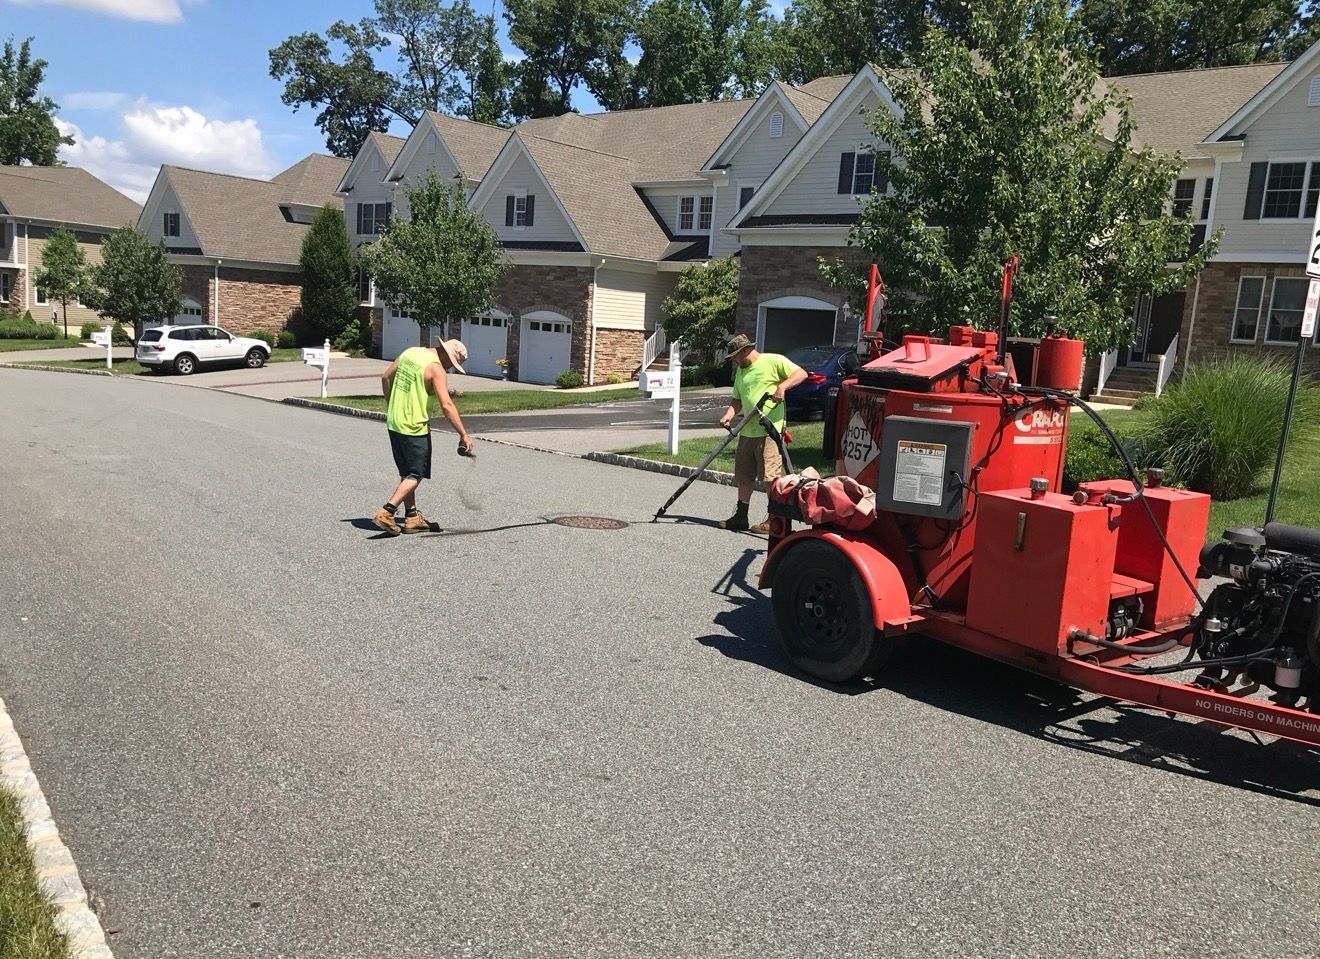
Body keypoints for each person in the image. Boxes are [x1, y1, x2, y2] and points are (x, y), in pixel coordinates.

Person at [373, 336, 475, 536]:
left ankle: (411, 517)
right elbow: (446, 405)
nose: (449, 367)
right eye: (452, 363)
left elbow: (386, 378)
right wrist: (463, 434)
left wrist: (392, 404)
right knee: (416, 474)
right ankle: (387, 512)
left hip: (394, 422)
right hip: (414, 427)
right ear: (446, 355)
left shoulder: (411, 352)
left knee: (406, 471)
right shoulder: (436, 369)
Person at [717, 333, 806, 533]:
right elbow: (737, 399)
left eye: (735, 356)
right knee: (744, 475)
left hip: (770, 430)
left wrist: (782, 387)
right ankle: (741, 516)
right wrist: (729, 414)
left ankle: (774, 520)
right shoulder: (741, 371)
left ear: (745, 350)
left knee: (770, 477)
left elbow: (801, 374)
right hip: (747, 431)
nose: (734, 360)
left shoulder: (774, 361)